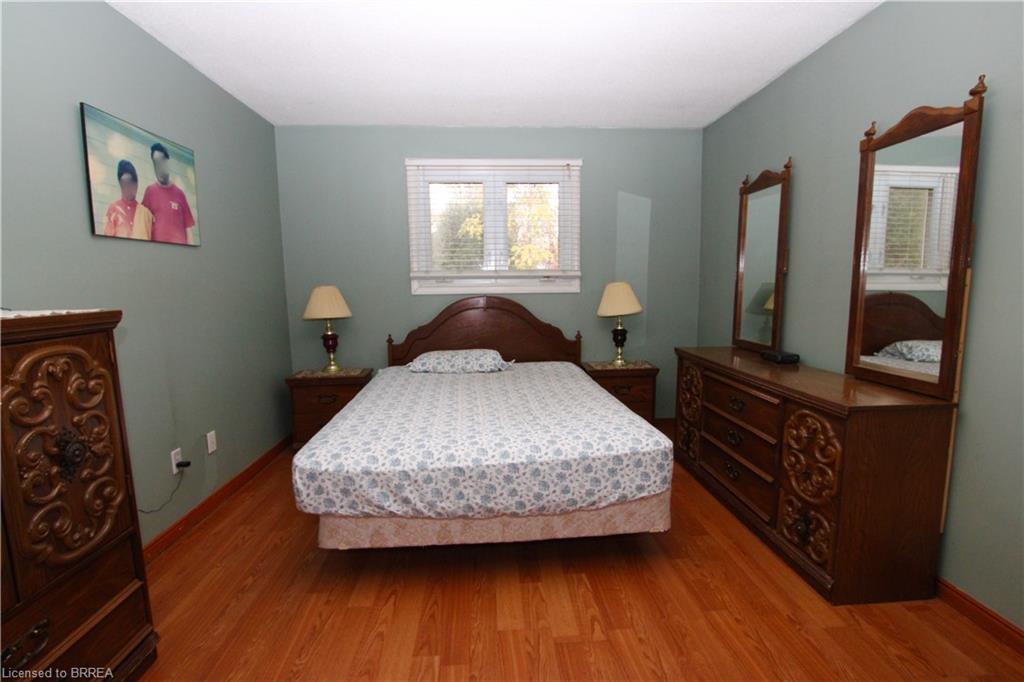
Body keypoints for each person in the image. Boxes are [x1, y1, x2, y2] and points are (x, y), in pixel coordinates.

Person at [142, 142, 195, 244]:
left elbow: (188, 229)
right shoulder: (149, 191)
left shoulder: (180, 194)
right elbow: (143, 226)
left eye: (161, 161)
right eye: (155, 163)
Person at [102, 160, 153, 240]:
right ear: (120, 185)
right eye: (124, 184)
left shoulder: (146, 213)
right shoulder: (113, 209)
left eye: (130, 183)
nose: (128, 188)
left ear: (136, 184)